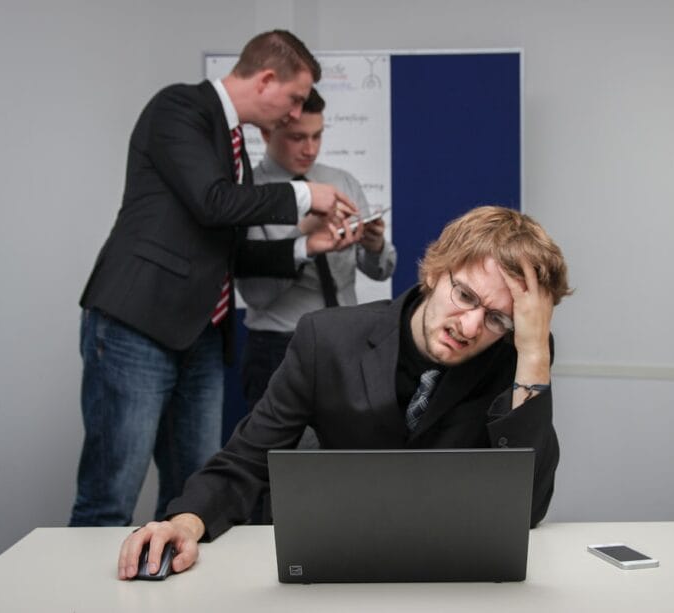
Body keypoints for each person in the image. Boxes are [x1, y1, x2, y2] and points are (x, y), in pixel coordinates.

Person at [117, 205, 572, 580]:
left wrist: (533, 352)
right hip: (331, 565)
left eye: (498, 319)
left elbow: (526, 509)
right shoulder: (327, 339)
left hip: (447, 574)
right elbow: (247, 459)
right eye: (466, 296)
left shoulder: (517, 358)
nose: (471, 327)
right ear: (436, 271)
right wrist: (183, 521)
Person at [70, 30, 360, 528]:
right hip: (137, 326)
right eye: (293, 99)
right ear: (267, 79)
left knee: (192, 499)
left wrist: (306, 246)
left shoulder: (233, 148)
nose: (295, 114)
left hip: (202, 336)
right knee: (110, 497)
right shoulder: (178, 109)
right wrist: (308, 196)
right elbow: (213, 203)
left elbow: (231, 250)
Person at [237, 87, 397, 414]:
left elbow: (382, 270)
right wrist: (303, 238)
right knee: (278, 458)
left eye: (317, 136)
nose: (310, 148)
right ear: (267, 132)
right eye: (297, 137)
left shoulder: (341, 181)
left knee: (352, 452)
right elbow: (256, 296)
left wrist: (374, 244)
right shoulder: (249, 194)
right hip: (279, 346)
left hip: (349, 340)